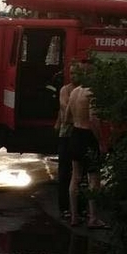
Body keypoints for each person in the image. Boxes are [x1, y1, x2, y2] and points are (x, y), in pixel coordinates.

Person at [67, 77, 108, 229]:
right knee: (93, 178)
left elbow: (66, 117)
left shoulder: (74, 92)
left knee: (75, 176)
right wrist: (101, 141)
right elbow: (93, 119)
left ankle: (74, 216)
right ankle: (93, 218)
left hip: (75, 134)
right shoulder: (92, 94)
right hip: (88, 136)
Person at [53, 72, 75, 221]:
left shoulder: (69, 91)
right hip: (69, 134)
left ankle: (72, 210)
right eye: (72, 72)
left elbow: (65, 113)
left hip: (71, 134)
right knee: (69, 173)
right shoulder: (66, 90)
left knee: (73, 173)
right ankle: (68, 209)